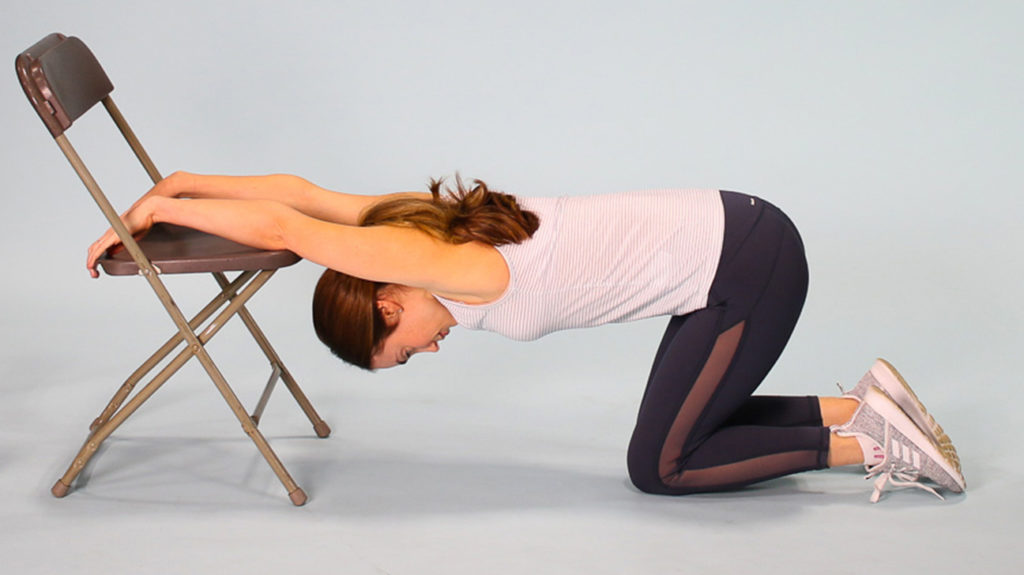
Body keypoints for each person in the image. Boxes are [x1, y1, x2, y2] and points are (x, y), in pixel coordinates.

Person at [87, 171, 965, 502]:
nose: (430, 353)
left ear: (388, 304)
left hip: (749, 265)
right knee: (672, 436)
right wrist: (184, 178)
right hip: (732, 246)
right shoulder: (420, 229)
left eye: (405, 349)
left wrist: (154, 211)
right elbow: (304, 192)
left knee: (659, 466)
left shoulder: (446, 267)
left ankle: (869, 447)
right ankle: (866, 401)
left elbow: (291, 222)